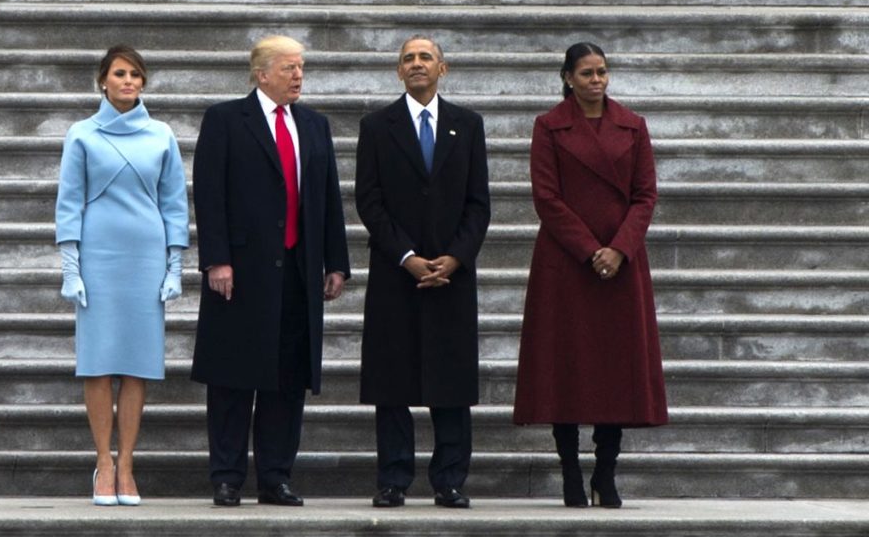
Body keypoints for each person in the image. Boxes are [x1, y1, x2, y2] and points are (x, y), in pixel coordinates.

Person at [191, 35, 350, 507]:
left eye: (301, 68)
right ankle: (227, 476)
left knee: (287, 379)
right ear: (261, 74)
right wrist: (216, 259)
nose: (298, 76)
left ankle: (276, 476)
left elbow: (328, 197)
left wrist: (335, 261)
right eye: (288, 68)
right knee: (233, 378)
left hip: (298, 271)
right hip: (240, 272)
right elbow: (209, 192)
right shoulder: (225, 120)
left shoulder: (314, 125)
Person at [514, 42, 668, 508]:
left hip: (622, 263)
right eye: (586, 73)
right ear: (567, 78)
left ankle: (606, 471)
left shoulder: (633, 126)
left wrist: (619, 249)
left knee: (614, 370)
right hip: (566, 264)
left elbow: (645, 196)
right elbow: (547, 198)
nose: (596, 80)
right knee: (567, 368)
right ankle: (569, 472)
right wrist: (589, 250)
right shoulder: (549, 126)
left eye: (601, 72)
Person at [355, 36, 491, 509]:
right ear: (398, 71)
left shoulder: (467, 126)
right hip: (397, 274)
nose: (417, 65)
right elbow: (368, 201)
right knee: (392, 381)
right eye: (408, 59)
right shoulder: (376, 126)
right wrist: (407, 256)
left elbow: (478, 204)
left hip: (452, 275)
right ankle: (393, 478)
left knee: (450, 380)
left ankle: (449, 478)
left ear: (443, 68)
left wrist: (455, 257)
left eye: (425, 58)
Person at [55, 44, 189, 506]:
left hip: (145, 257)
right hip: (99, 255)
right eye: (119, 73)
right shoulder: (82, 134)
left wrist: (176, 265)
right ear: (103, 80)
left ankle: (127, 463)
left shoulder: (161, 135)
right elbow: (69, 201)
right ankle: (104, 463)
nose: (128, 80)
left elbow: (174, 203)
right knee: (98, 362)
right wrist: (71, 267)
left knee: (137, 365)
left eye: (135, 74)